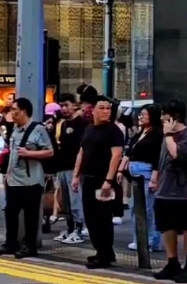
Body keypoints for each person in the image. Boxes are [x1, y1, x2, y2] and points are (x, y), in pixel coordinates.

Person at [0, 96, 54, 259]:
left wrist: (30, 153)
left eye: (15, 110)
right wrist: (7, 173)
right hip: (14, 180)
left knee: (31, 215)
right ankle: (11, 243)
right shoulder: (15, 129)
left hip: (31, 181)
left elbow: (49, 151)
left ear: (24, 111)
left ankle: (30, 245)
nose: (12, 113)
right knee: (11, 212)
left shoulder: (38, 129)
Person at [72, 96, 124, 268]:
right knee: (91, 218)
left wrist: (108, 180)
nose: (105, 111)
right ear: (93, 110)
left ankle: (105, 254)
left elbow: (116, 156)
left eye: (108, 108)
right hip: (88, 178)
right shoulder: (89, 129)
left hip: (103, 180)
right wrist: (76, 175)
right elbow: (82, 152)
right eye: (101, 108)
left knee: (103, 218)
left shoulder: (113, 131)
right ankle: (101, 251)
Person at [151, 101, 187, 280]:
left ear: (174, 117)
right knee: (167, 226)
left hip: (184, 191)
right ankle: (171, 262)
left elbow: (177, 154)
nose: (161, 118)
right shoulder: (165, 137)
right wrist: (156, 177)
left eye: (164, 115)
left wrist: (168, 135)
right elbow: (163, 158)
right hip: (165, 188)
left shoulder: (185, 135)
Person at [121, 104, 162, 253]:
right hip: (135, 173)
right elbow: (129, 151)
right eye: (140, 114)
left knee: (146, 209)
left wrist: (154, 178)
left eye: (144, 114)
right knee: (137, 207)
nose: (140, 117)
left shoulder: (157, 134)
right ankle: (143, 239)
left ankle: (149, 240)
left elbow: (158, 157)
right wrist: (122, 169)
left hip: (147, 172)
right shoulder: (140, 133)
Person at [54, 93, 87, 244]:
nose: (64, 108)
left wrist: (77, 171)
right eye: (61, 106)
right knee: (65, 202)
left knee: (76, 201)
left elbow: (83, 149)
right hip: (62, 166)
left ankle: (79, 229)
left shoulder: (82, 124)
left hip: (75, 169)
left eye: (66, 105)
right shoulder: (62, 124)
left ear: (75, 105)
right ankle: (70, 228)